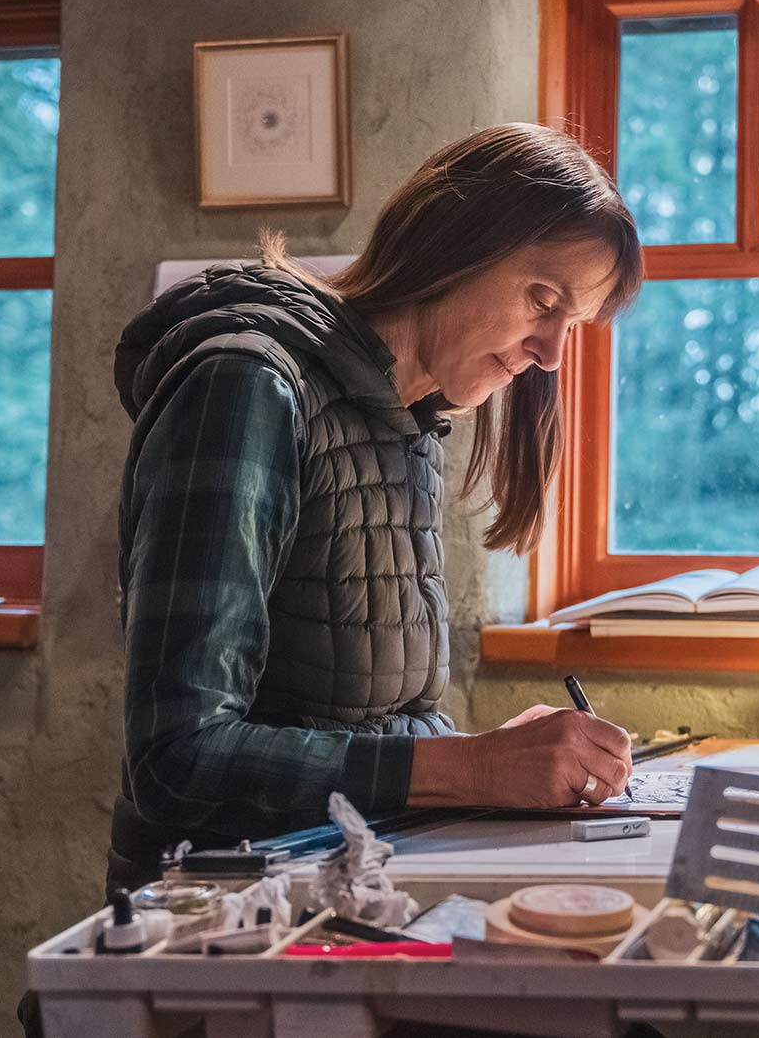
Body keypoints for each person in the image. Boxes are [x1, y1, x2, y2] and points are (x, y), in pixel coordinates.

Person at [107, 123, 643, 888]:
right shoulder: (246, 387)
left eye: (573, 324)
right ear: (452, 246)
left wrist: (486, 756)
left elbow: (349, 723)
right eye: (541, 299)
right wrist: (469, 767)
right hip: (216, 917)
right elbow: (177, 758)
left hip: (347, 884)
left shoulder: (406, 419)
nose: (551, 353)